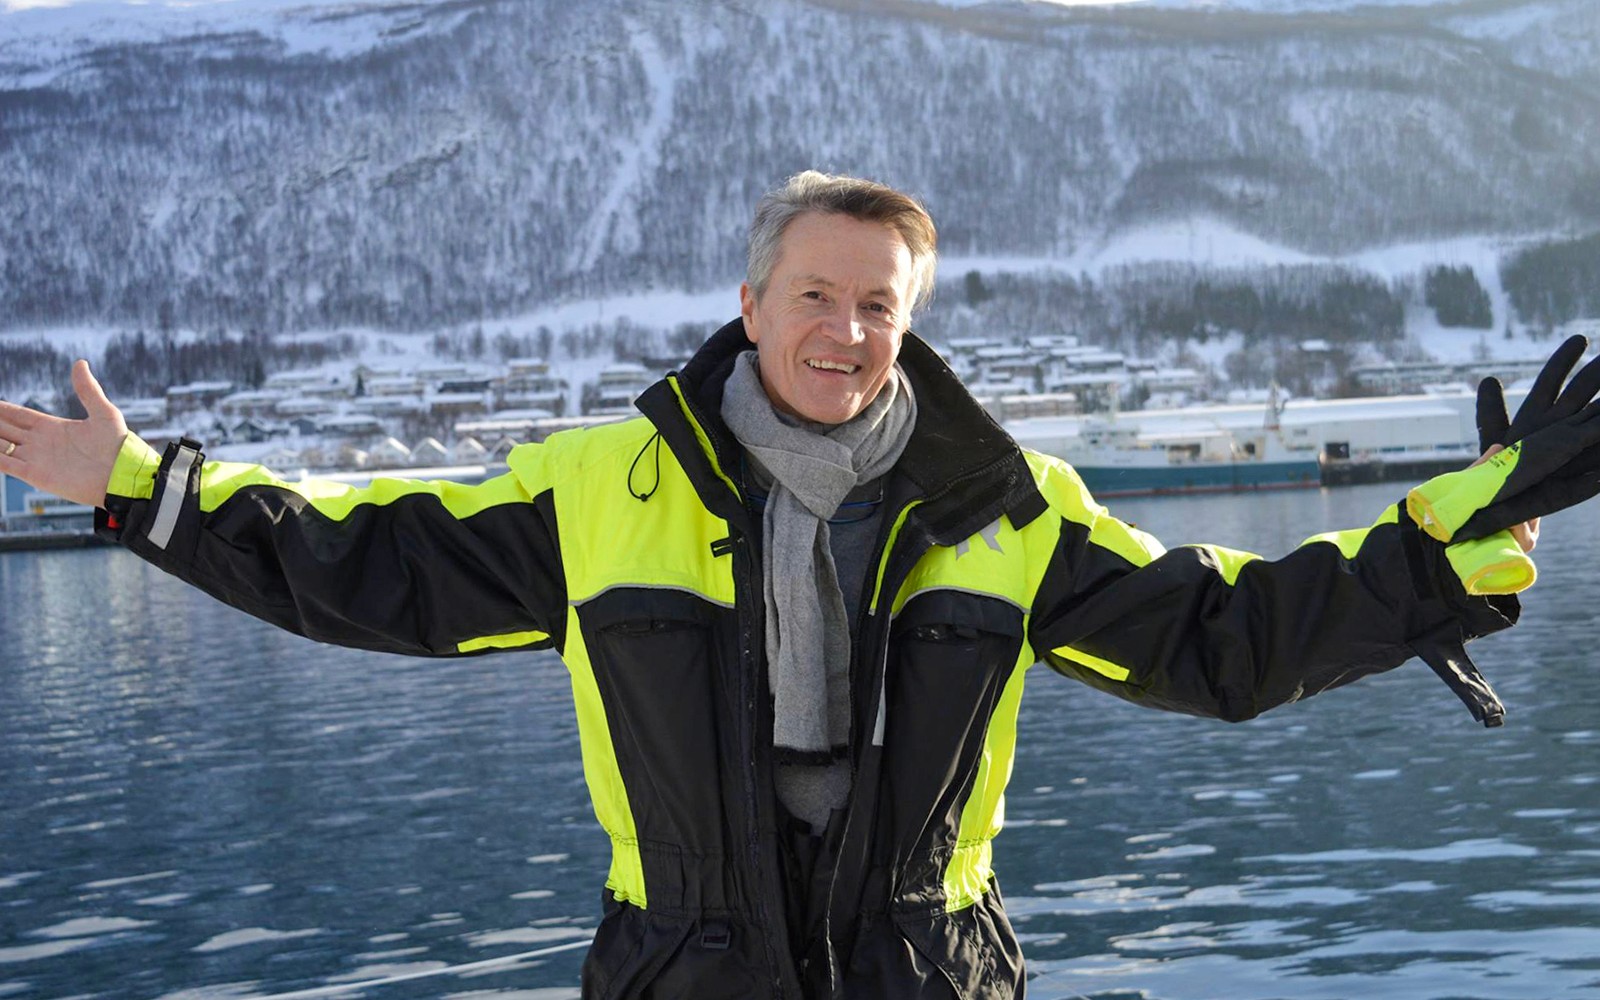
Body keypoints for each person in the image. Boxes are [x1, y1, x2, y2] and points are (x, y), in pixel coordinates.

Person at [3, 170, 1598, 1000]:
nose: (847, 331)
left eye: (880, 306)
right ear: (752, 300)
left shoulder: (1006, 508)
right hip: (684, 972)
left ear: (910, 321)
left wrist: (1431, 558)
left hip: (929, 969)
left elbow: (1221, 639)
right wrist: (146, 491)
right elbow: (367, 565)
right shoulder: (595, 492)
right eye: (817, 295)